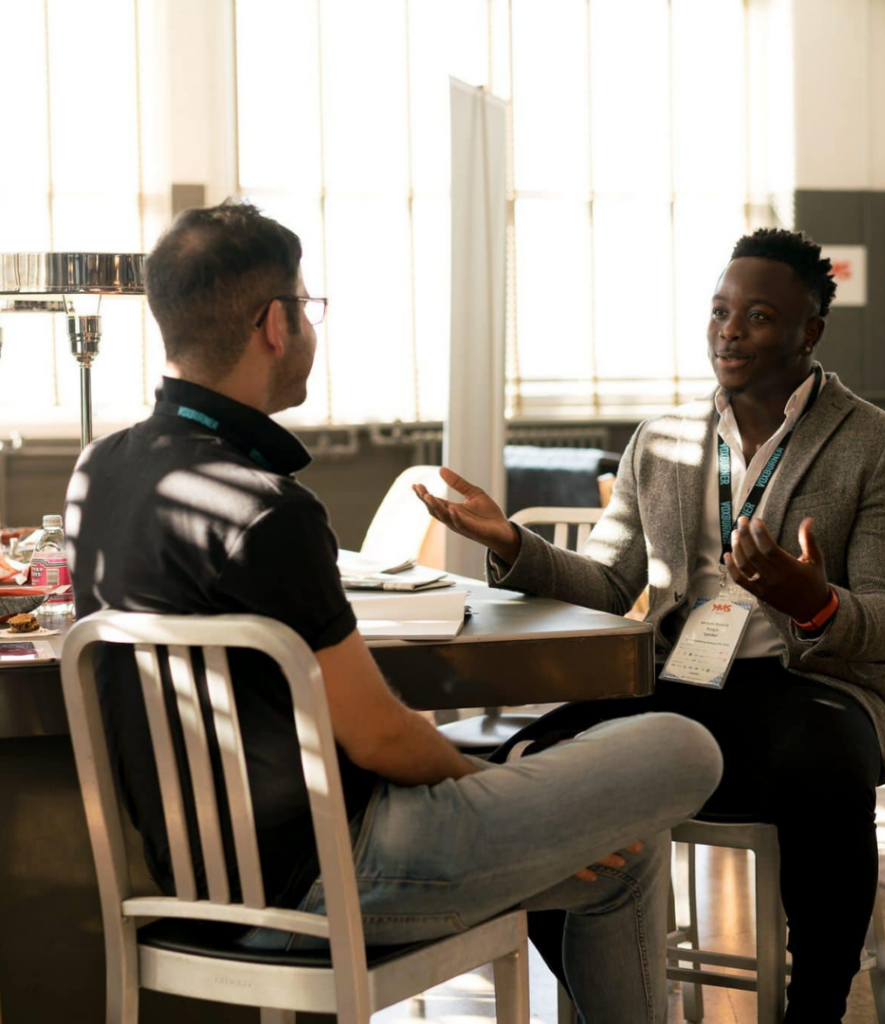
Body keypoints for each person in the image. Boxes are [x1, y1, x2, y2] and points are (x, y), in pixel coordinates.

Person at [64, 200, 723, 1024]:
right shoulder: (271, 510)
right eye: (308, 307)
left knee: (623, 854)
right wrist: (492, 784)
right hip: (340, 877)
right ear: (275, 323)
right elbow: (376, 734)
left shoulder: (100, 472)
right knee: (682, 743)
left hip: (192, 888)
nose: (309, 326)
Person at [415, 228, 885, 1024]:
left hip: (816, 685)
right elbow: (612, 582)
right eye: (720, 311)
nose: (729, 330)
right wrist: (514, 544)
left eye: (758, 315)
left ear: (810, 333)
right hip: (683, 680)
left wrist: (812, 602)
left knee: (822, 764)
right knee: (539, 760)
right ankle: (605, 999)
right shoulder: (659, 441)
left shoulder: (881, 446)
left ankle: (817, 1006)